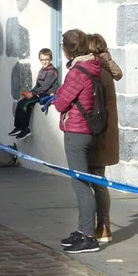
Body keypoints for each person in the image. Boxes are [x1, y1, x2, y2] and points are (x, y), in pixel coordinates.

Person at [52, 29, 103, 255]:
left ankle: (88, 236)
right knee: (82, 183)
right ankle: (83, 230)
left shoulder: (77, 72)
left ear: (67, 49)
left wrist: (59, 92)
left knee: (81, 185)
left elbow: (60, 104)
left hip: (77, 130)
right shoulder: (91, 66)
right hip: (85, 129)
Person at [87, 35, 123, 244]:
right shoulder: (106, 68)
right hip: (104, 133)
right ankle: (102, 225)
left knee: (97, 182)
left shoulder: (98, 72)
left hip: (98, 134)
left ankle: (102, 225)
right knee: (97, 181)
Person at [9, 48, 59, 139]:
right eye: (42, 60)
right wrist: (30, 92)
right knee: (20, 103)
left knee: (25, 104)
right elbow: (38, 85)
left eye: (46, 59)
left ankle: (25, 129)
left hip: (46, 94)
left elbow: (45, 87)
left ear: (51, 59)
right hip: (39, 92)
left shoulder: (52, 71)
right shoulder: (43, 70)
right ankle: (18, 126)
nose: (44, 62)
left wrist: (33, 94)